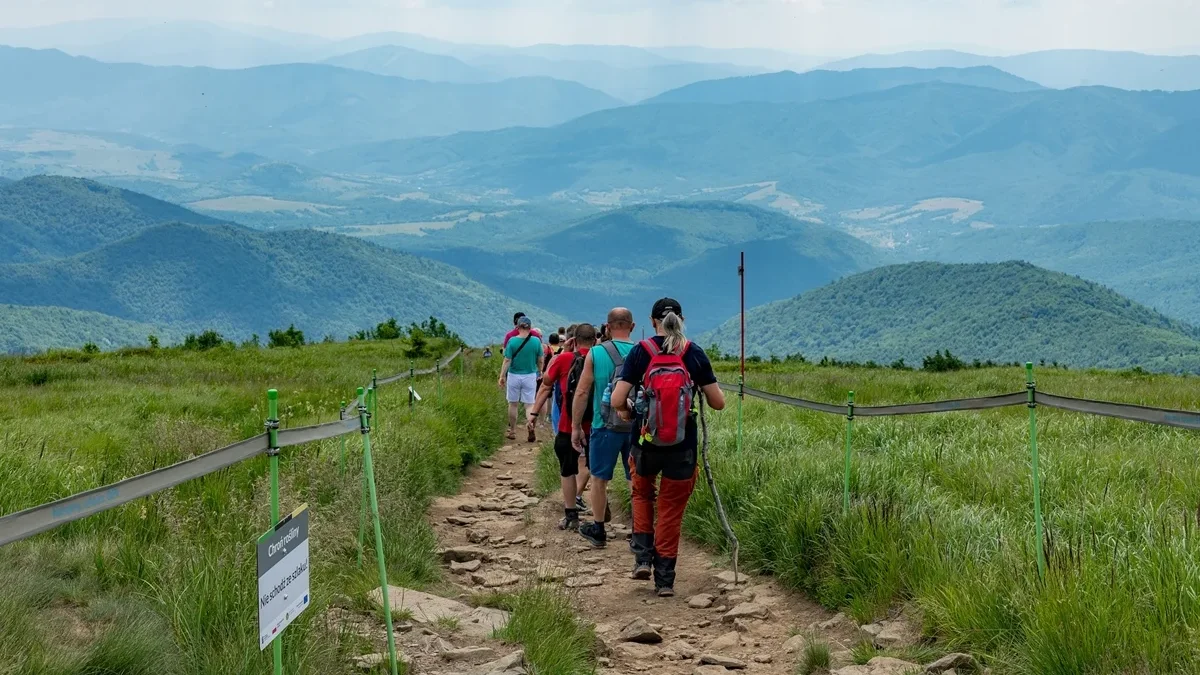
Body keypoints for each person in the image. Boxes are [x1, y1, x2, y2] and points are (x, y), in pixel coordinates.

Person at [610, 298, 724, 597]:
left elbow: (617, 399)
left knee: (642, 494)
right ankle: (664, 580)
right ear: (682, 319)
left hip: (644, 442)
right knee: (671, 510)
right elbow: (718, 403)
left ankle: (643, 558)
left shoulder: (642, 351)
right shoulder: (693, 352)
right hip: (682, 446)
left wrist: (625, 412)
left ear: (652, 321)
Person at [572, 307, 637, 549]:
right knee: (636, 480)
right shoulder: (644, 352)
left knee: (599, 479)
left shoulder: (596, 353)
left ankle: (598, 529)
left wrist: (576, 426)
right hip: (636, 427)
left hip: (603, 425)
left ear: (607, 328)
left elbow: (581, 391)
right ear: (631, 326)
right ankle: (639, 532)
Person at [529, 323, 597, 531]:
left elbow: (547, 380)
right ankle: (599, 516)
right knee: (593, 468)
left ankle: (570, 515)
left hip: (568, 425)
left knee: (567, 470)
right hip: (596, 425)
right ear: (595, 340)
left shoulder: (565, 359)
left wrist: (564, 353)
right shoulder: (601, 359)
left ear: (573, 340)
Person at [499, 316, 543, 442]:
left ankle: (512, 431)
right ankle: (530, 425)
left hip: (514, 375)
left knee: (513, 404)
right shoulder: (536, 341)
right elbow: (540, 359)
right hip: (530, 375)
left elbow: (507, 359)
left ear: (517, 327)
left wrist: (502, 375)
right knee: (529, 405)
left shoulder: (512, 341)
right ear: (530, 327)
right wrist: (540, 370)